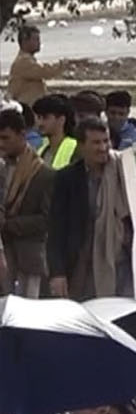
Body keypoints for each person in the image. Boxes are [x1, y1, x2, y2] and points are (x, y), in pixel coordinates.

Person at [45, 117, 129, 299]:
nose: (103, 148)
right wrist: (57, 273)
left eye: (106, 141)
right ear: (81, 146)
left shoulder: (124, 171)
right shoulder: (67, 179)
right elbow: (56, 228)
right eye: (96, 142)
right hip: (82, 267)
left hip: (121, 264)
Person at [0, 108, 53, 297]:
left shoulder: (42, 174)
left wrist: (9, 225)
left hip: (28, 261)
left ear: (22, 135)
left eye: (6, 138)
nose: (1, 144)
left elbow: (46, 220)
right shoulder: (2, 168)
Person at [8, 25, 53, 106]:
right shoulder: (23, 61)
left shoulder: (28, 60)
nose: (39, 43)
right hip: (27, 109)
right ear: (25, 41)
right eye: (36, 39)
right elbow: (45, 71)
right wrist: (64, 64)